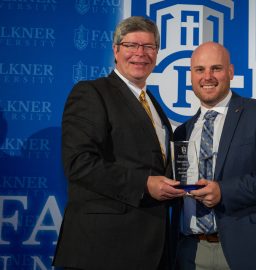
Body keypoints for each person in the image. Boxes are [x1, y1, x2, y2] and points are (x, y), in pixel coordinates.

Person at [53, 16, 185, 270]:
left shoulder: (154, 106)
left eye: (149, 47)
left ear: (157, 54)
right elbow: (78, 163)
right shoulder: (91, 92)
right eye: (131, 45)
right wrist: (144, 183)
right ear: (116, 50)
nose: (140, 53)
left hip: (151, 249)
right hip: (102, 250)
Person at [173, 42, 256, 270]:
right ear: (191, 76)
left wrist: (224, 191)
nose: (208, 77)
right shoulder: (182, 131)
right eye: (200, 70)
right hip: (191, 253)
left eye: (216, 68)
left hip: (251, 250)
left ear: (231, 72)